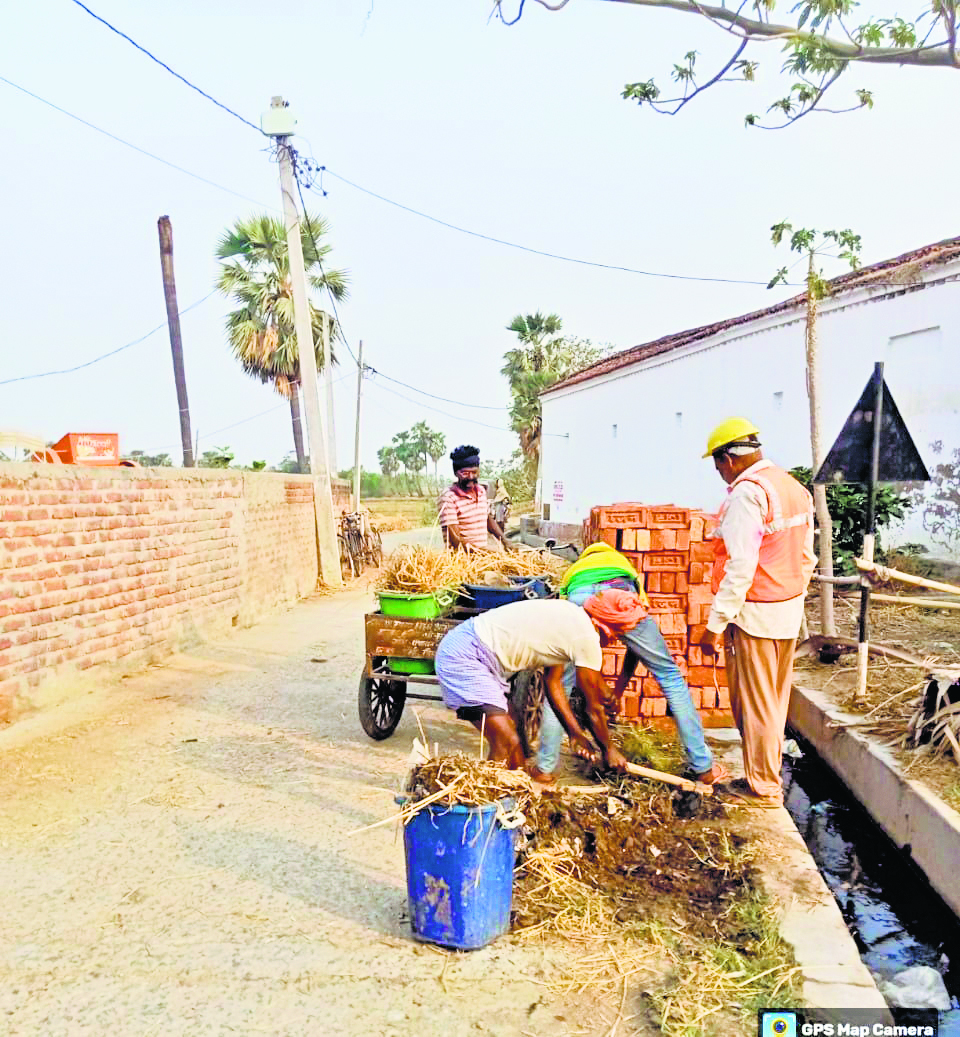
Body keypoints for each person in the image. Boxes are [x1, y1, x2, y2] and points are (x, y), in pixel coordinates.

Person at [530, 543, 729, 786]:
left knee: (560, 685)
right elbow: (635, 639)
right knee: (669, 676)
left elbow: (570, 623)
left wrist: (617, 690)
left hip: (578, 599)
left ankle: (544, 768)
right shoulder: (626, 570)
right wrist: (617, 690)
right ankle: (703, 767)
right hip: (621, 596)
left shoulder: (574, 572)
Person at [696, 418, 816, 809]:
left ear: (728, 459)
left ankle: (763, 788)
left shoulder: (748, 494)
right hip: (785, 612)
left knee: (755, 705)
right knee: (773, 703)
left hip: (755, 616)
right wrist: (790, 597)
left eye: (718, 466)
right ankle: (763, 778)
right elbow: (806, 558)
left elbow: (740, 566)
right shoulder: (792, 487)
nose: (720, 474)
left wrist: (716, 624)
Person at [434, 598, 628, 773]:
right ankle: (485, 797)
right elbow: (593, 709)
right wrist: (609, 750)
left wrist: (575, 734)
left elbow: (553, 683)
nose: (616, 640)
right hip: (465, 655)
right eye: (618, 633)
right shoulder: (587, 637)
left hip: (473, 650)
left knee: (513, 729)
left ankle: (517, 788)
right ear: (604, 625)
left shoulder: (572, 617)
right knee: (505, 738)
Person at [439, 445, 512, 552]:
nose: (470, 477)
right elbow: (455, 541)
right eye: (465, 473)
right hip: (461, 559)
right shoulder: (449, 497)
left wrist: (505, 541)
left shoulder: (481, 491)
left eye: (474, 472)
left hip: (480, 557)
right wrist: (486, 553)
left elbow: (487, 518)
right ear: (455, 473)